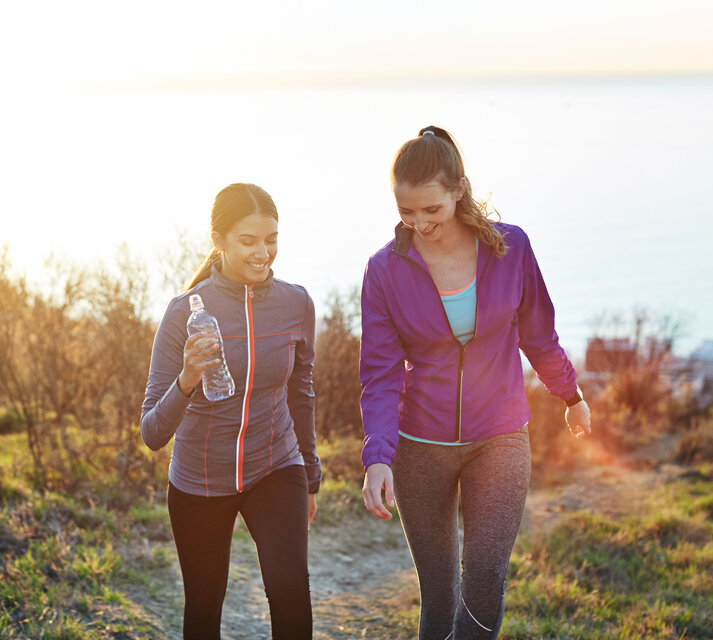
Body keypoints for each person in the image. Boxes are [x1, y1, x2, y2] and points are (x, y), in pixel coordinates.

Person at [359, 126, 592, 639]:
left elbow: (538, 334)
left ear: (458, 191)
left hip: (500, 435)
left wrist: (570, 394)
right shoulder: (384, 271)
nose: (420, 224)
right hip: (420, 445)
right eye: (406, 213)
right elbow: (379, 374)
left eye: (432, 211)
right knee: (439, 598)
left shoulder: (511, 248)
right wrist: (378, 455)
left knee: (485, 580)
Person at [141, 183, 320, 640]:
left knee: (290, 591)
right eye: (249, 241)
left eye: (271, 239)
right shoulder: (184, 312)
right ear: (218, 240)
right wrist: (187, 379)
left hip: (276, 467)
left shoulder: (296, 304)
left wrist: (311, 477)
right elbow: (152, 432)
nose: (264, 253)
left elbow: (301, 393)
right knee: (203, 604)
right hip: (200, 479)